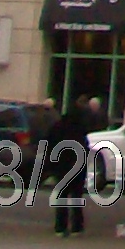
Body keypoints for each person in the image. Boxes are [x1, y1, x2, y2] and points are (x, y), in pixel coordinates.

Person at [50, 95, 100, 236]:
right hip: (78, 165)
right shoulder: (80, 129)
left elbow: (50, 145)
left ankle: (61, 226)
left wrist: (52, 164)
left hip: (62, 166)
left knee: (62, 196)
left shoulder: (58, 127)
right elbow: (85, 147)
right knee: (77, 195)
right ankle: (77, 226)